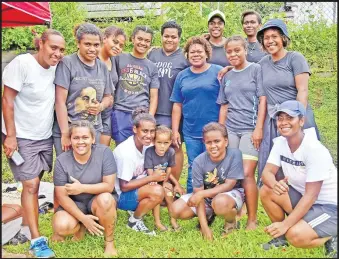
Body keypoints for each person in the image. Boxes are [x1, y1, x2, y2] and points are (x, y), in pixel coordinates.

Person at [2, 29, 65, 258]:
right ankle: (36, 240)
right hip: (21, 134)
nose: (57, 53)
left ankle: (30, 220)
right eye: (53, 48)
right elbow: (7, 99)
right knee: (30, 185)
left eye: (61, 50)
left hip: (44, 134)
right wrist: (11, 136)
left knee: (36, 181)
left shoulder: (58, 68)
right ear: (40, 44)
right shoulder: (22, 64)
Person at [259, 100, 337, 258]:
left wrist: (285, 225)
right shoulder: (281, 143)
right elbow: (266, 173)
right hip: (306, 200)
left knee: (295, 236)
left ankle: (332, 237)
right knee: (267, 190)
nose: (284, 122)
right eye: (280, 118)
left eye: (290, 118)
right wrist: (275, 184)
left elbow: (311, 195)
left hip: (330, 207)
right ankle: (280, 238)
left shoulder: (314, 149)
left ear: (302, 121)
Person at [256, 19, 319, 183]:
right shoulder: (262, 63)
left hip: (296, 117)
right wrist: (226, 69)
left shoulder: (295, 58)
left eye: (274, 36)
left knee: (302, 165)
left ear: (283, 38)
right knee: (276, 170)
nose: (270, 41)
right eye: (266, 38)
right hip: (275, 121)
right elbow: (246, 70)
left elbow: (303, 91)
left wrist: (298, 120)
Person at [217, 35, 266, 230]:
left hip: (249, 129)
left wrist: (259, 128)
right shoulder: (227, 76)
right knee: (231, 173)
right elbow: (224, 106)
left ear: (245, 50)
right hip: (231, 129)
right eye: (229, 51)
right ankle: (235, 212)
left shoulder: (256, 69)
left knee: (246, 174)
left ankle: (252, 219)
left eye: (237, 50)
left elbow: (263, 99)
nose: (233, 54)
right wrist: (221, 133)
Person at [52, 120, 118, 257]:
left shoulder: (105, 153)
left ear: (93, 139)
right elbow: (62, 196)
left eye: (85, 137)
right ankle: (82, 225)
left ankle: (109, 242)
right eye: (76, 138)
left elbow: (108, 186)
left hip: (98, 200)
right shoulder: (61, 160)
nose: (80, 142)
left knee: (106, 199)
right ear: (70, 140)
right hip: (75, 203)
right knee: (61, 227)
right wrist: (83, 219)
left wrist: (81, 188)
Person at [171, 122, 245, 240]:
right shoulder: (198, 162)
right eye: (209, 142)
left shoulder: (235, 155)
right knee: (176, 210)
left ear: (225, 141)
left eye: (217, 141)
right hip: (207, 197)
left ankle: (231, 221)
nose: (213, 145)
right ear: (204, 143)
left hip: (230, 194)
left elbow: (229, 184)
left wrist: (201, 194)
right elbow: (198, 193)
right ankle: (209, 215)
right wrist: (205, 228)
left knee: (220, 202)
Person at [170, 36, 222, 194]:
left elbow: (226, 100)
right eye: (192, 52)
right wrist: (174, 131)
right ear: (187, 55)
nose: (196, 54)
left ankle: (213, 199)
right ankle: (193, 198)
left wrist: (222, 127)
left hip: (213, 129)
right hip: (191, 130)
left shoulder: (218, 72)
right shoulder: (182, 76)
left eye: (199, 51)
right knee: (194, 164)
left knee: (214, 165)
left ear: (207, 53)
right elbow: (177, 105)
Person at [53, 22, 114, 156]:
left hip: (93, 130)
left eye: (96, 45)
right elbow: (59, 101)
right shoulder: (67, 64)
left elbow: (108, 97)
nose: (92, 49)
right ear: (78, 43)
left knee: (89, 170)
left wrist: (101, 106)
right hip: (70, 129)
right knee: (67, 170)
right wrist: (65, 133)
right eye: (87, 44)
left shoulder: (102, 67)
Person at [147, 20, 190, 182]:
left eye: (173, 37)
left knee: (174, 147)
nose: (169, 40)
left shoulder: (184, 58)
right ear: (161, 36)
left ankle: (173, 184)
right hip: (153, 110)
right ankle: (153, 182)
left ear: (179, 38)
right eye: (166, 36)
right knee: (152, 146)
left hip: (173, 111)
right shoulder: (153, 54)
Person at [113, 108, 166, 235]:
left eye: (152, 131)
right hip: (120, 196)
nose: (149, 135)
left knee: (166, 189)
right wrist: (152, 178)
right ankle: (134, 221)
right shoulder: (126, 152)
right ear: (135, 129)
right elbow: (124, 187)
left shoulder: (148, 145)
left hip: (139, 186)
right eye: (145, 131)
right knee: (158, 191)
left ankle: (140, 209)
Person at [112, 25, 160, 145]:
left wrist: (150, 118)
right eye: (140, 39)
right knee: (122, 149)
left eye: (147, 41)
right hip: (121, 111)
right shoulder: (119, 58)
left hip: (141, 113)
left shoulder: (152, 67)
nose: (143, 43)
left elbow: (154, 96)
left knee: (141, 150)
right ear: (132, 39)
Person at [144, 125, 185, 231]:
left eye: (166, 143)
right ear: (154, 142)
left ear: (170, 142)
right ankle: (157, 222)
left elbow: (169, 169)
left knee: (169, 193)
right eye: (159, 142)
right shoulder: (149, 152)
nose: (162, 146)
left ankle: (173, 219)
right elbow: (149, 169)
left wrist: (167, 182)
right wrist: (153, 180)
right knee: (157, 194)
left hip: (164, 180)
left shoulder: (171, 152)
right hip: (152, 181)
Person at [98, 26, 127, 146]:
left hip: (107, 114)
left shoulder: (114, 61)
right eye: (115, 42)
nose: (117, 47)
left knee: (101, 154)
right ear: (104, 38)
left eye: (121, 45)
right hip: (90, 113)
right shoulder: (92, 59)